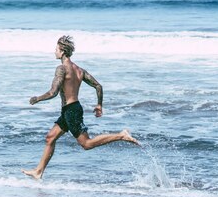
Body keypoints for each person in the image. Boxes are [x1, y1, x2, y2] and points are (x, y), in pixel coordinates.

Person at [22, 35, 139, 180]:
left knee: (86, 144)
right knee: (50, 138)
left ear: (62, 51)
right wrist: (99, 105)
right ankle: (38, 171)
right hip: (70, 110)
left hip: (71, 111)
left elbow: (53, 92)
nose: (54, 52)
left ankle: (121, 135)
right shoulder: (79, 70)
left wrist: (37, 99)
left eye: (56, 49)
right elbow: (98, 86)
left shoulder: (62, 68)